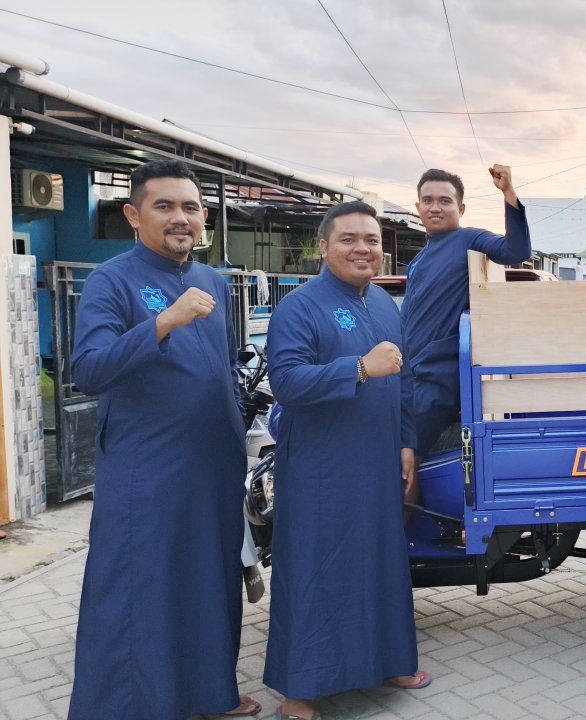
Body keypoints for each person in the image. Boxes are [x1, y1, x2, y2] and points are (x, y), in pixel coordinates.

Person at [68, 159, 259, 719]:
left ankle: (209, 692)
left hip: (212, 463)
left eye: (192, 207)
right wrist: (161, 322)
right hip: (146, 469)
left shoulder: (212, 284)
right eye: (165, 206)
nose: (182, 218)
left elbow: (222, 369)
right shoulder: (112, 280)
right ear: (134, 215)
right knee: (140, 587)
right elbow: (90, 368)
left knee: (209, 582)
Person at [263, 201, 426, 720]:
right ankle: (301, 689)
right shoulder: (300, 306)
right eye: (350, 239)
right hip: (320, 468)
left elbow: (402, 384)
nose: (363, 249)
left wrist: (406, 442)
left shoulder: (383, 304)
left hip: (377, 460)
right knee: (315, 566)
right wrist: (357, 367)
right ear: (323, 246)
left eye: (372, 240)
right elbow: (286, 381)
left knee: (379, 562)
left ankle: (390, 661)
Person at [402, 165, 531, 455]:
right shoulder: (418, 260)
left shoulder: (468, 240)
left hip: (437, 382)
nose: (435, 207)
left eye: (445, 201)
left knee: (401, 454)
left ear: (460, 208)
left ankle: (398, 502)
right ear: (418, 207)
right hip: (410, 378)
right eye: (428, 200)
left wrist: (508, 192)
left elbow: (516, 251)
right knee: (400, 457)